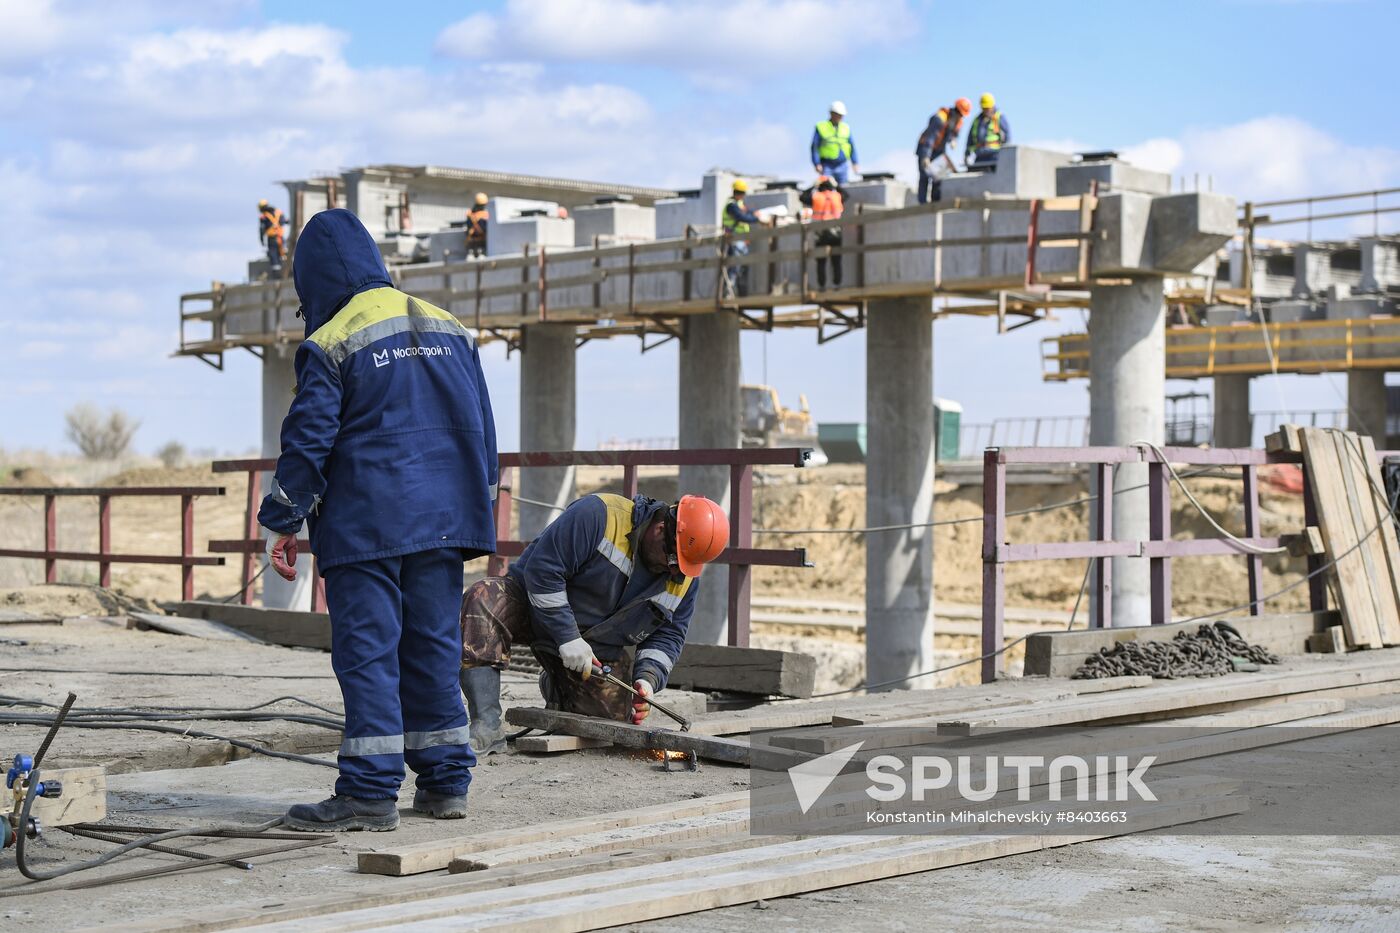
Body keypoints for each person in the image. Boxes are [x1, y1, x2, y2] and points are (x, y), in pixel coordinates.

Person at [259, 208, 499, 832]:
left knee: (369, 657)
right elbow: (483, 431)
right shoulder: (451, 329)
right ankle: (447, 782)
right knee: (434, 649)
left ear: (312, 278)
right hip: (444, 521)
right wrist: (480, 501)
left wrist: (283, 517)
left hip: (366, 524)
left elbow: (309, 438)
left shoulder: (333, 338)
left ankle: (367, 793)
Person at [459, 493, 729, 753]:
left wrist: (647, 680)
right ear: (660, 529)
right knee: (484, 599)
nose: (674, 570)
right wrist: (567, 636)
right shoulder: (599, 515)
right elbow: (543, 571)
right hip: (532, 608)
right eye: (673, 559)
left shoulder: (682, 580)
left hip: (594, 650)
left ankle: (556, 683)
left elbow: (668, 637)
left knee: (608, 725)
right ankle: (487, 725)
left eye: (682, 566)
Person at [721, 179, 773, 298]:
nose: (742, 195)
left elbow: (748, 212)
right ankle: (728, 293)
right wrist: (757, 219)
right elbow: (742, 217)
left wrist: (756, 214)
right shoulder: (731, 205)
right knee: (734, 267)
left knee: (742, 268)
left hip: (742, 241)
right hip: (735, 239)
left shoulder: (739, 204)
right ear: (737, 192)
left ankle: (741, 294)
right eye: (741, 193)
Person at [915, 98, 972, 204]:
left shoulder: (958, 121)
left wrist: (953, 140)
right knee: (924, 176)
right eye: (960, 114)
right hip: (926, 147)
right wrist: (926, 156)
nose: (961, 116)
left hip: (939, 150)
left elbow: (953, 133)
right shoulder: (940, 118)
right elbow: (930, 138)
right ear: (956, 110)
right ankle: (922, 205)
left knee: (939, 176)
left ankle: (935, 203)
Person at [800, 176, 844, 289]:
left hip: (821, 233)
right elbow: (846, 195)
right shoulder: (837, 196)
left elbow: (802, 196)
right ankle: (837, 284)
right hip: (836, 232)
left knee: (821, 261)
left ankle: (822, 286)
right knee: (836, 260)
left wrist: (813, 185)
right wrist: (836, 185)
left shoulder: (816, 197)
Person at [811, 100, 860, 185]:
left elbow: (851, 146)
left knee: (843, 189)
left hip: (842, 165)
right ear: (832, 113)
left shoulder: (845, 128)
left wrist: (855, 162)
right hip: (827, 165)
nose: (841, 117)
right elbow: (815, 147)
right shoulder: (821, 126)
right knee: (827, 188)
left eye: (842, 115)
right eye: (838, 115)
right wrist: (817, 163)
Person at [967, 93, 1011, 168]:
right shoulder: (977, 120)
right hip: (980, 155)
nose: (986, 110)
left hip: (995, 155)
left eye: (988, 108)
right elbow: (970, 139)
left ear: (992, 106)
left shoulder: (999, 118)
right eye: (984, 108)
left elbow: (1007, 138)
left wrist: (1005, 155)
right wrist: (967, 153)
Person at [258, 199, 286, 274]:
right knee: (283, 253)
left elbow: (262, 229)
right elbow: (284, 221)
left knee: (273, 254)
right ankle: (286, 269)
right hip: (281, 238)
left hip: (272, 239)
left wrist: (262, 240)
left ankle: (276, 273)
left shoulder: (264, 216)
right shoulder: (279, 212)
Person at [465, 193, 489, 258]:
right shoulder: (484, 215)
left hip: (471, 242)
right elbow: (486, 229)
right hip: (481, 242)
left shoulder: (470, 215)